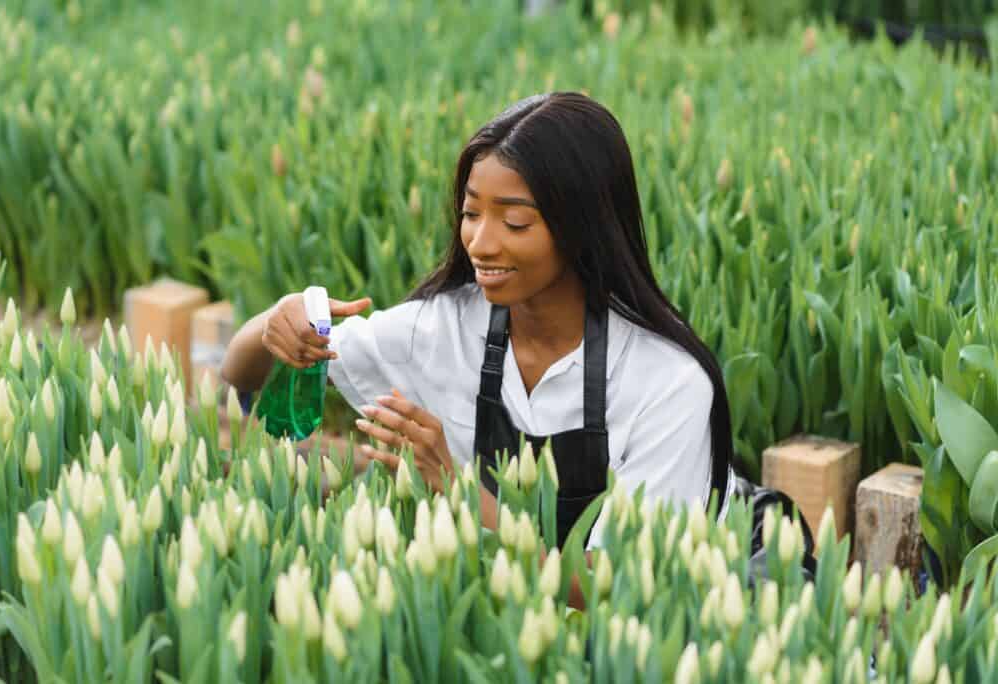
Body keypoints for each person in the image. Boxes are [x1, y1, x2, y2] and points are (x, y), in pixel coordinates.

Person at [221, 92, 737, 552]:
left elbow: (622, 591)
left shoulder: (665, 381)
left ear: (583, 226)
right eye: (471, 214)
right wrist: (278, 324)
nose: (480, 244)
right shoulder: (445, 329)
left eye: (514, 222)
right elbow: (246, 379)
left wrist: (456, 491)